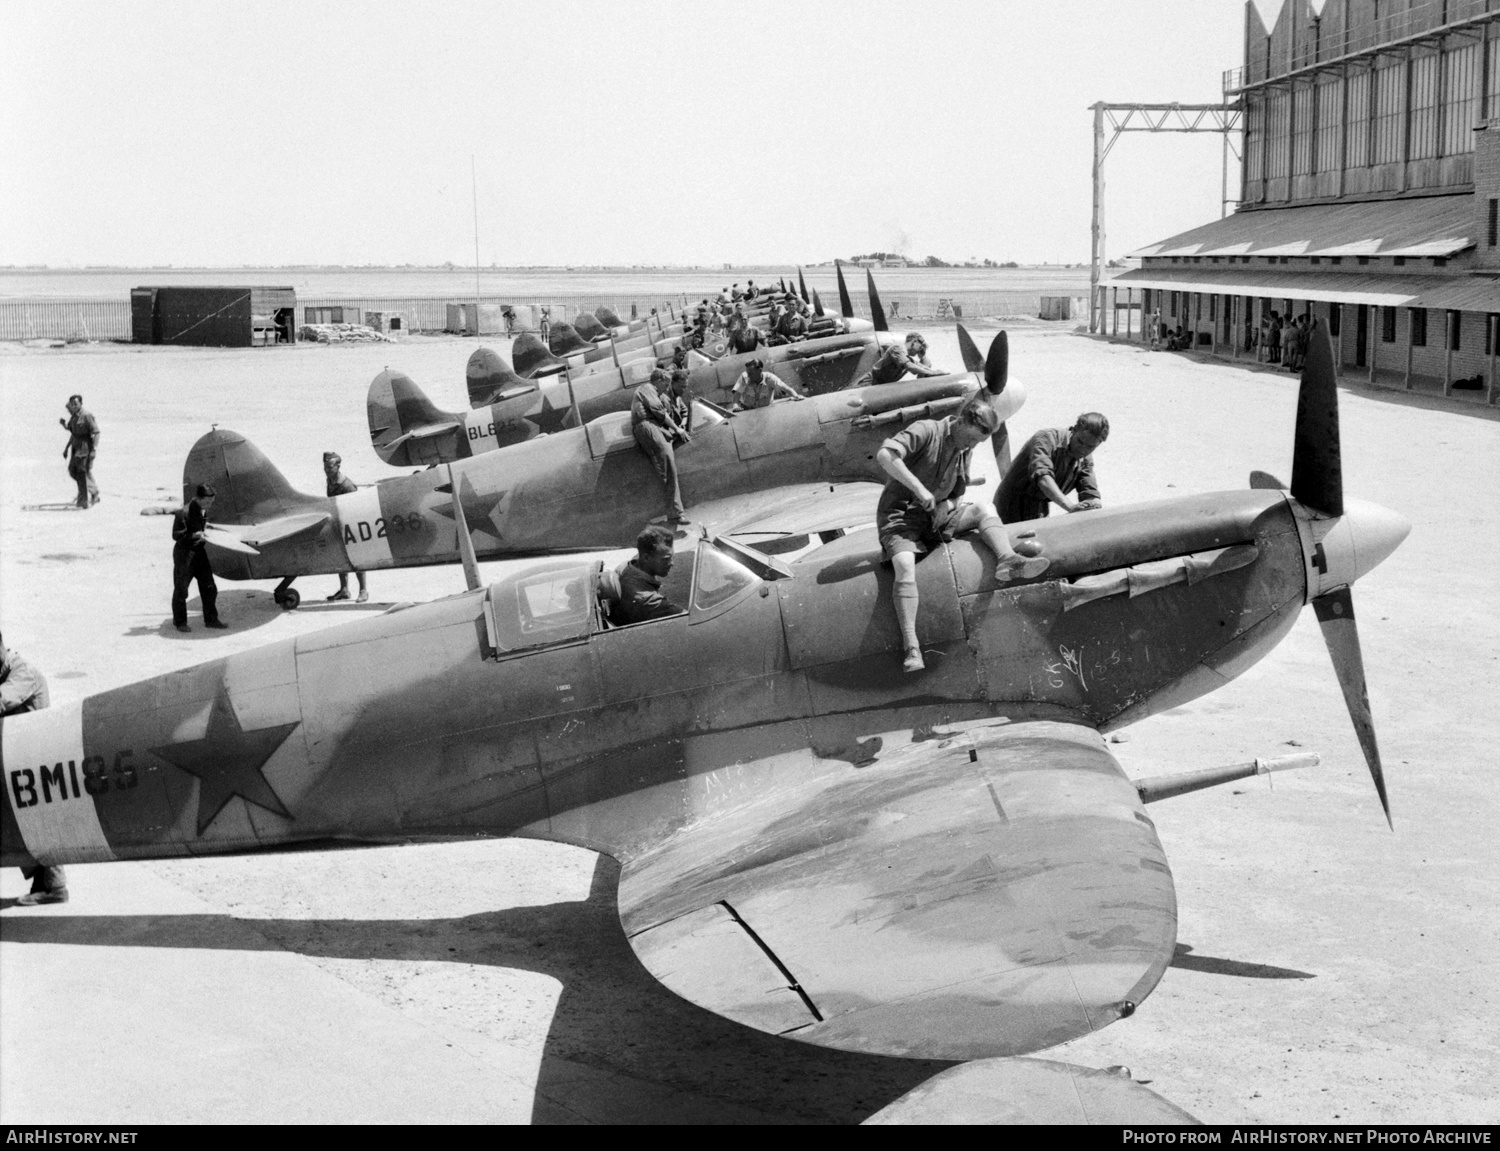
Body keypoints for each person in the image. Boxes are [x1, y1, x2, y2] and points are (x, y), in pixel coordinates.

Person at [878, 402, 1049, 672]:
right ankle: (911, 647)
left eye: (978, 442)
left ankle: (1008, 559)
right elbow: (885, 456)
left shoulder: (963, 449)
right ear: (960, 421)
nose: (972, 446)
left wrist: (947, 505)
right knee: (904, 566)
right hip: (900, 518)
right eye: (971, 438)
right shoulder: (926, 430)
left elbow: (957, 493)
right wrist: (920, 489)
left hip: (935, 516)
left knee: (984, 508)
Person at [1, 632, 68, 906]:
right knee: (25, 827)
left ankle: (55, 887)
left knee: (39, 823)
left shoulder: (22, 673)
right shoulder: (6, 671)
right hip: (20, 761)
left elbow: (3, 700)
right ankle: (45, 884)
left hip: (38, 761)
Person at [995, 413, 1109, 524]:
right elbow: (1043, 477)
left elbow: (1089, 492)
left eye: (1090, 446)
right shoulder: (1045, 438)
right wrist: (1070, 507)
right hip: (1010, 504)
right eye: (1080, 441)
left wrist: (1094, 506)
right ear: (1074, 430)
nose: (1082, 449)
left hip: (1039, 507)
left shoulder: (1085, 458)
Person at [631, 368, 690, 524]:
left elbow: (678, 409)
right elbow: (660, 413)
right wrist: (677, 428)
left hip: (656, 427)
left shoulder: (659, 394)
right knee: (668, 462)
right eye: (666, 383)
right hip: (647, 426)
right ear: (658, 381)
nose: (667, 387)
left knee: (669, 459)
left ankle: (675, 511)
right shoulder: (646, 389)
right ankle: (676, 513)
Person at [172, 484, 227, 632]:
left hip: (199, 553)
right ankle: (180, 622)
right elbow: (177, 535)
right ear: (198, 499)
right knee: (181, 589)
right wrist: (195, 535)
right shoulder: (183, 513)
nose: (210, 505)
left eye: (211, 502)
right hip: (185, 555)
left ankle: (211, 620)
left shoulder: (201, 510)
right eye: (208, 502)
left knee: (209, 587)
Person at [608, 525, 685, 626]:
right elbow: (687, 617)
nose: (672, 563)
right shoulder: (648, 600)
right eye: (666, 559)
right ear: (646, 558)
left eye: (672, 557)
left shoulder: (627, 566)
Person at [322, 452, 369, 603]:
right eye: (325, 467)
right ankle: (344, 590)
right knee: (340, 556)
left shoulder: (347, 486)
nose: (327, 470)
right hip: (338, 524)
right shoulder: (330, 480)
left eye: (329, 467)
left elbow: (356, 509)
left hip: (350, 525)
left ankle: (363, 591)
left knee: (357, 558)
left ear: (338, 466)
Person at [857, 333, 946, 386]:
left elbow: (922, 367)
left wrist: (937, 372)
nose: (921, 349)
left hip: (879, 387)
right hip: (867, 385)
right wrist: (933, 373)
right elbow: (910, 367)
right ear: (914, 342)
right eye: (920, 345)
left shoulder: (907, 357)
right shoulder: (897, 349)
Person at [59, 394, 100, 509]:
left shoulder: (86, 416)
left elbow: (96, 432)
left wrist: (94, 450)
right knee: (72, 470)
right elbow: (73, 432)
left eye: (75, 404)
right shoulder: (74, 416)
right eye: (71, 404)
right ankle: (94, 491)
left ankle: (83, 501)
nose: (73, 406)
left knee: (82, 472)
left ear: (81, 403)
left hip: (85, 447)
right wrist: (66, 448)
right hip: (76, 447)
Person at [731, 359, 803, 410]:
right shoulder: (744, 376)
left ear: (760, 370)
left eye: (751, 373)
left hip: (765, 409)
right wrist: (735, 406)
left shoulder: (770, 378)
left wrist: (796, 396)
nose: (748, 376)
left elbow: (784, 387)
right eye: (747, 373)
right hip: (747, 410)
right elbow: (737, 392)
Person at [668, 369, 694, 433]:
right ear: (672, 383)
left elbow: (685, 411)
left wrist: (683, 423)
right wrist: (676, 429)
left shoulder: (678, 396)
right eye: (681, 386)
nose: (683, 390)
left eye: (685, 387)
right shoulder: (666, 398)